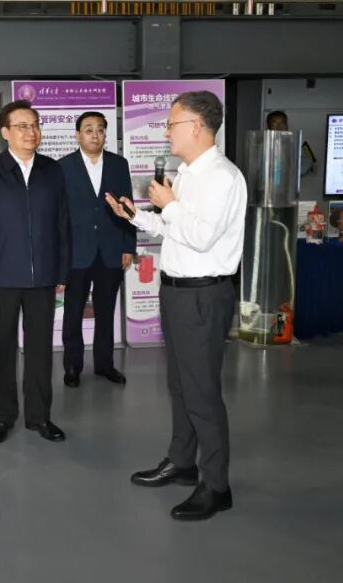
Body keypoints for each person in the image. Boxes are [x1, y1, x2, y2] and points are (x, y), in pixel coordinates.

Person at [105, 91, 247, 521]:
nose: (166, 131)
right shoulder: (187, 173)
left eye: (172, 124)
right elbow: (175, 229)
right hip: (177, 291)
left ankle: (216, 485)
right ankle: (183, 462)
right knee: (181, 385)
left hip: (203, 295)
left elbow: (201, 236)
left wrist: (170, 205)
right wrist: (136, 216)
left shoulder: (221, 177)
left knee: (202, 391)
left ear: (197, 127)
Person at [0, 100, 70, 444]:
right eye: (23, 126)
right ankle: (3, 417)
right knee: (1, 350)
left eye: (35, 125)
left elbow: (62, 223)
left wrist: (62, 270)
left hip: (43, 276)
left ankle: (39, 417)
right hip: (1, 278)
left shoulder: (53, 171)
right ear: (5, 132)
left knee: (40, 350)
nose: (31, 132)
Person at [58, 111, 135, 387]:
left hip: (110, 249)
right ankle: (72, 366)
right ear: (77, 135)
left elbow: (128, 207)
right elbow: (59, 215)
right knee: (72, 312)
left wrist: (128, 245)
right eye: (88, 129)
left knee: (106, 311)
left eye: (100, 129)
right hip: (77, 252)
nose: (95, 135)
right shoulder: (63, 166)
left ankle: (105, 365)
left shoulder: (118, 164)